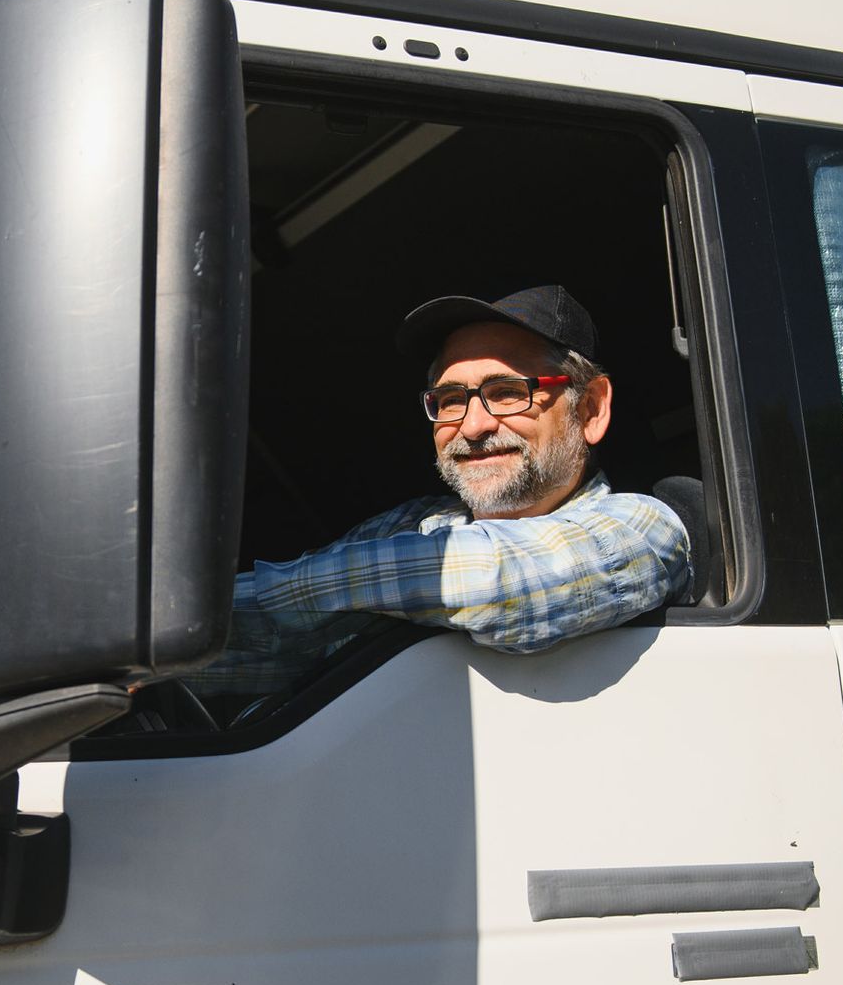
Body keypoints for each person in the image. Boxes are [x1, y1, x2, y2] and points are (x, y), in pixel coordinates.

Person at [188, 284, 692, 703]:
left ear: (591, 410)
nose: (473, 426)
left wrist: (190, 615)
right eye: (451, 400)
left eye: (508, 392)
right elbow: (283, 657)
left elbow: (498, 581)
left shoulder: (644, 527)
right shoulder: (410, 527)